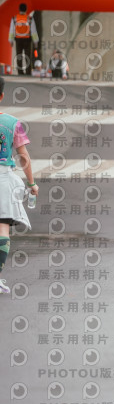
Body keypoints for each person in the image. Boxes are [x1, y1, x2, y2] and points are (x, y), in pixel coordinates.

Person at [0, 77, 38, 294]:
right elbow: (23, 156)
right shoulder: (13, 124)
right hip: (4, 180)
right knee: (2, 227)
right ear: (2, 95)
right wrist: (32, 183)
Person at [9, 3, 39, 75]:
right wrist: (35, 42)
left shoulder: (14, 18)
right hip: (27, 40)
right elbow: (33, 31)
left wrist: (11, 41)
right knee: (28, 56)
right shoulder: (30, 18)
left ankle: (20, 72)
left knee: (19, 56)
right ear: (26, 10)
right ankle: (28, 72)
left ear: (19, 9)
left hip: (18, 40)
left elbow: (11, 30)